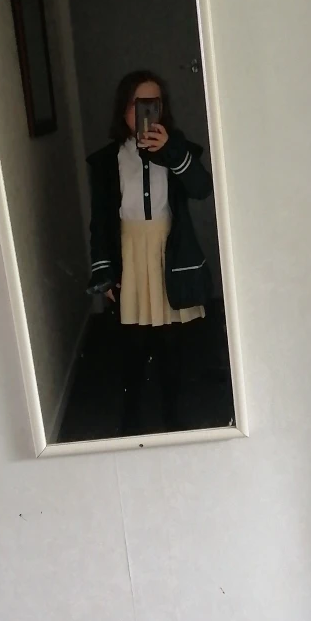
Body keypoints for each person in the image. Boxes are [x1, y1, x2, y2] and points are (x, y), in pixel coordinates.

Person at [87, 69, 213, 435]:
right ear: (124, 109)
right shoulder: (107, 160)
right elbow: (101, 221)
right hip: (129, 254)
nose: (144, 112)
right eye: (137, 104)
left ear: (162, 108)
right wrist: (104, 272)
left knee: (172, 342)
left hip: (167, 253)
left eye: (152, 104)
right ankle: (132, 419)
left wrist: (171, 151)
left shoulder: (178, 149)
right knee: (133, 343)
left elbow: (202, 189)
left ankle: (172, 415)